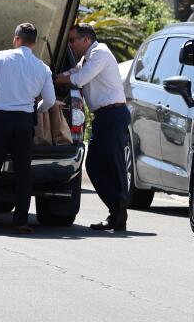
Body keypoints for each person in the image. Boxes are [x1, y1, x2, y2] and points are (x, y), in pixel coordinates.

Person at [0, 22, 55, 234]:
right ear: (34, 43)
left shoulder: (1, 57)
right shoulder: (42, 68)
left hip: (0, 120)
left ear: (16, 39)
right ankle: (20, 222)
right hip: (25, 121)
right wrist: (37, 109)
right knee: (23, 172)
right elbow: (50, 101)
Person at [57, 23, 131, 232]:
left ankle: (119, 214)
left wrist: (53, 79)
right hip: (103, 116)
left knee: (113, 165)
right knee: (95, 166)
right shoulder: (88, 57)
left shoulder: (100, 52)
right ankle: (116, 211)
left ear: (86, 40)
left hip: (113, 114)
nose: (70, 44)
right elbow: (75, 70)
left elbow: (79, 79)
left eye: (73, 40)